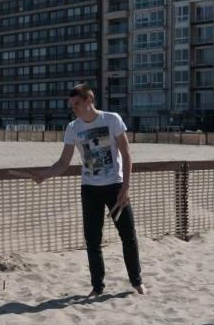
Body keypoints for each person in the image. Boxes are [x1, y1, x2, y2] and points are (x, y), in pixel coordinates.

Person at [32, 84, 146, 297]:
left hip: (115, 186)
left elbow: (127, 154)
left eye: (76, 104)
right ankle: (97, 286)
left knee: (128, 236)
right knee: (92, 240)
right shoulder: (72, 128)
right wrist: (45, 175)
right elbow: (64, 162)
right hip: (90, 189)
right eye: (71, 104)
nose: (73, 108)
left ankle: (137, 282)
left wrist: (126, 187)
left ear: (88, 101)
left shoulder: (111, 119)